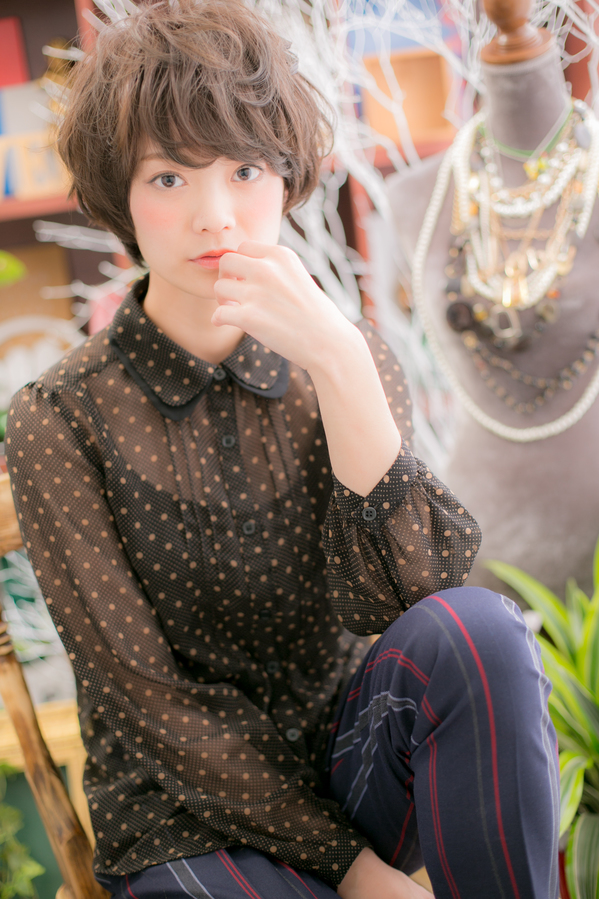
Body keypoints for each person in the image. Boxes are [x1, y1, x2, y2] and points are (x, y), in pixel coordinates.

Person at [6, 2, 559, 897]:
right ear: (120, 193)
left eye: (244, 169)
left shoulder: (345, 357)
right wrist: (357, 874)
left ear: (287, 175)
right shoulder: (59, 418)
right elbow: (148, 704)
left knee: (482, 627)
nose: (215, 216)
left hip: (350, 766)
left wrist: (339, 360)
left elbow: (423, 606)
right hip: (180, 816)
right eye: (169, 177)